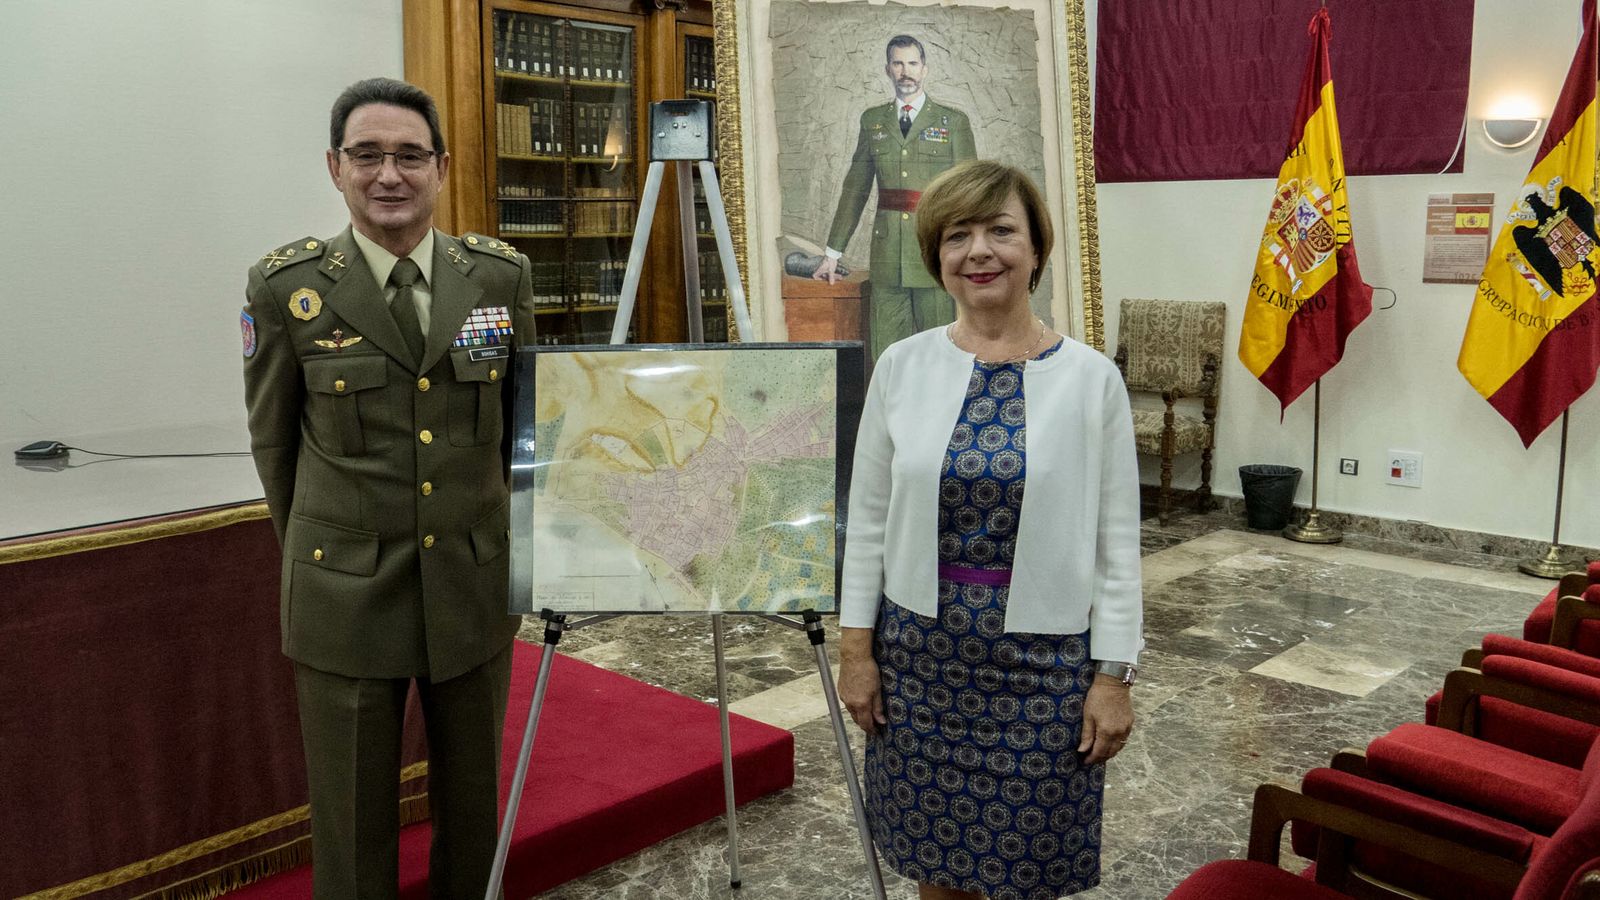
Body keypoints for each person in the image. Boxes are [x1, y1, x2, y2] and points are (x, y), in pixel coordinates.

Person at [241, 77, 535, 898]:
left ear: (441, 167)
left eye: (410, 155)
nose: (389, 175)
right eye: (367, 155)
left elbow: (524, 432)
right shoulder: (287, 289)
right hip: (345, 594)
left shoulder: (500, 280)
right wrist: (321, 562)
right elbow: (275, 449)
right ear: (335, 167)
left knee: (474, 811)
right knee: (354, 819)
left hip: (472, 583)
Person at [837, 160, 1142, 900]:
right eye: (957, 236)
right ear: (937, 259)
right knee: (936, 866)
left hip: (1044, 669)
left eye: (1001, 231)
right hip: (919, 663)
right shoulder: (902, 369)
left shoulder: (1092, 380)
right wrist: (856, 651)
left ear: (1035, 249)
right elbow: (869, 519)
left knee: (1026, 868)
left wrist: (1112, 677)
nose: (979, 251)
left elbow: (1117, 545)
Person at [812, 34, 977, 360]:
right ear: (888, 69)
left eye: (912, 63)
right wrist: (832, 253)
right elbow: (855, 188)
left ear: (924, 69)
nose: (906, 71)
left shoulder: (952, 122)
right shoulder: (873, 120)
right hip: (887, 256)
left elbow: (971, 193)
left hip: (934, 252)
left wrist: (968, 250)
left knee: (943, 352)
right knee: (888, 356)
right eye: (898, 63)